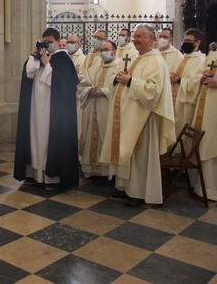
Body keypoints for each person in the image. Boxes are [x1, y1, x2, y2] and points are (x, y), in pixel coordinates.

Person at [100, 23, 175, 207]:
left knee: (139, 155)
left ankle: (139, 192)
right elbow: (129, 81)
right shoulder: (139, 58)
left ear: (151, 38)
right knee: (128, 151)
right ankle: (125, 186)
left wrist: (130, 80)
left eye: (140, 36)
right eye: (134, 36)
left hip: (143, 118)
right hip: (130, 114)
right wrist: (120, 78)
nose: (135, 40)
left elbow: (153, 91)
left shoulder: (156, 60)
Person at [14, 27, 79, 189]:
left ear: (58, 41)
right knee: (34, 137)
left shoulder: (63, 59)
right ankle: (34, 174)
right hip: (35, 107)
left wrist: (47, 64)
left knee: (49, 140)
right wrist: (36, 57)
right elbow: (28, 74)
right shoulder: (37, 56)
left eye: (50, 42)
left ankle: (52, 177)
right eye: (45, 42)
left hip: (53, 109)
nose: (47, 45)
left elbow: (62, 83)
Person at [77, 41, 120, 178]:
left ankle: (107, 172)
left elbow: (121, 89)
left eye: (106, 49)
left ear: (114, 51)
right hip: (93, 108)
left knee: (106, 136)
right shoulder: (94, 69)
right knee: (90, 136)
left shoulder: (119, 68)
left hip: (108, 109)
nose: (103, 53)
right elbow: (82, 86)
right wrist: (90, 90)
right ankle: (90, 170)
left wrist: (104, 92)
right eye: (101, 50)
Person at [191, 50, 217, 201]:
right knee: (205, 143)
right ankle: (202, 187)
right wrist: (202, 78)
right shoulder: (213, 54)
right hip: (206, 107)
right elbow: (197, 75)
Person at [171, 28, 205, 137]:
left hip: (185, 102)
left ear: (197, 42)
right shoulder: (180, 58)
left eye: (189, 41)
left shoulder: (201, 61)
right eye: (184, 40)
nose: (185, 43)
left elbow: (197, 82)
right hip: (172, 99)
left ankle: (179, 151)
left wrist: (179, 80)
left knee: (181, 126)